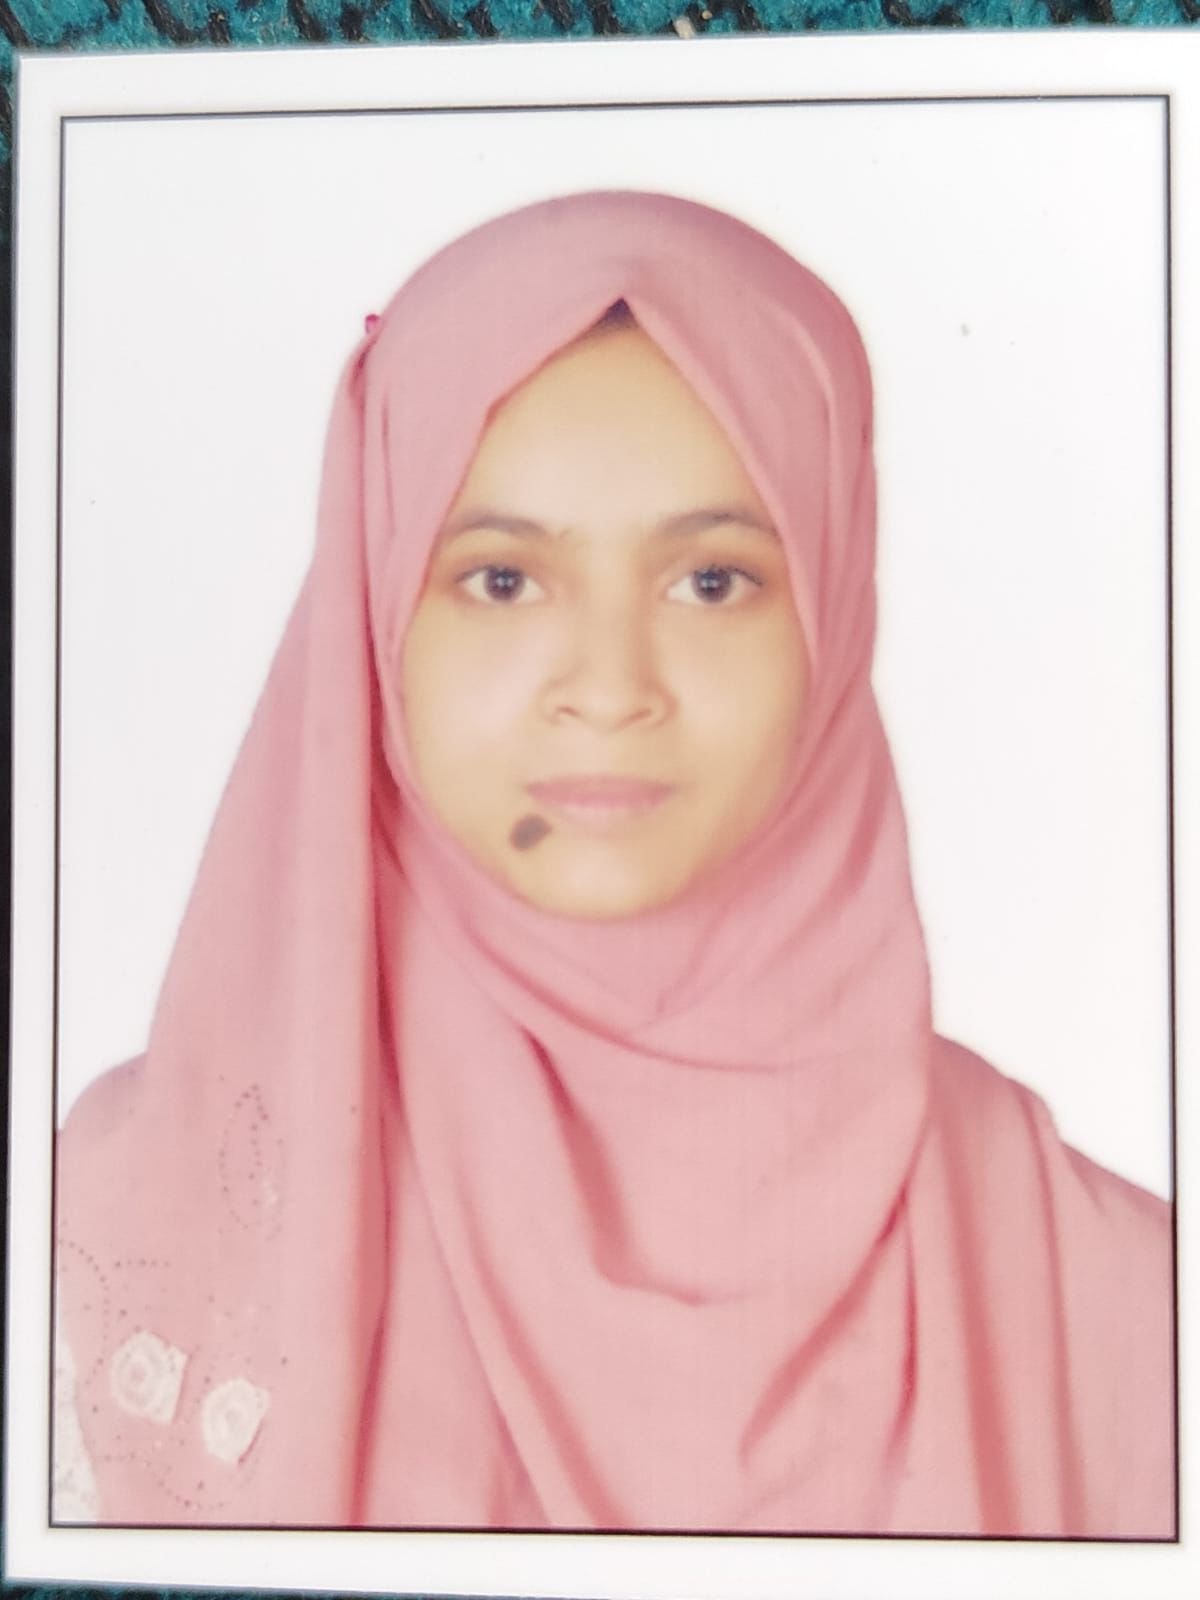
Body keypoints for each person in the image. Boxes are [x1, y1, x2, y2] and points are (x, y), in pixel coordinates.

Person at [54, 190, 1173, 1535]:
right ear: (378, 613)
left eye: (711, 582)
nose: (609, 686)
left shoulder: (1117, 1305)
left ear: (832, 609)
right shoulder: (101, 1245)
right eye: (502, 580)